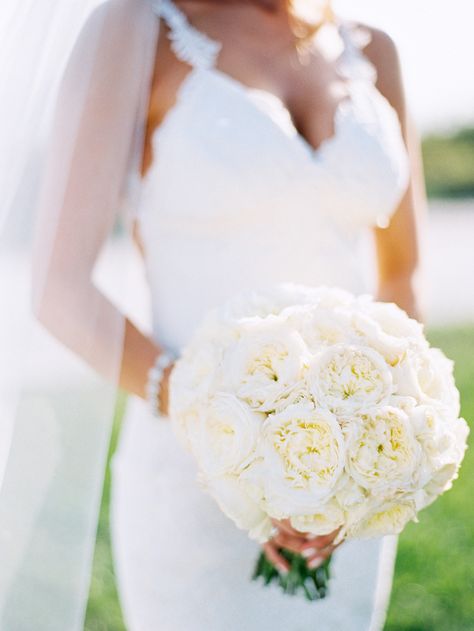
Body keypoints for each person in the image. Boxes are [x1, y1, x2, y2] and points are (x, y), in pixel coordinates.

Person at [3, 0, 424, 628]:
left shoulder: (372, 48)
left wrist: (359, 455)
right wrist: (248, 448)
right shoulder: (137, 31)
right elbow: (60, 292)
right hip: (195, 468)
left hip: (344, 490)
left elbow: (398, 274)